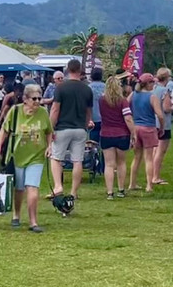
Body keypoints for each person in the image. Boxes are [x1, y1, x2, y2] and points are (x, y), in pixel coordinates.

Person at [0, 82, 51, 232]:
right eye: (34, 99)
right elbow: (5, 130)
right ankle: (16, 215)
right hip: (17, 155)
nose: (38, 101)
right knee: (19, 188)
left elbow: (49, 131)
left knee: (32, 187)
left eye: (39, 98)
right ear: (25, 99)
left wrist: (49, 146)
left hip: (36, 156)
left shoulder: (43, 113)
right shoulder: (15, 111)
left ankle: (33, 222)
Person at [47, 59, 93, 204]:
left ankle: (58, 186)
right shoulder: (87, 89)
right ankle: (73, 192)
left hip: (62, 128)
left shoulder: (61, 88)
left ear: (67, 70)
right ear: (80, 70)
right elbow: (88, 112)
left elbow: (55, 109)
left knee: (56, 158)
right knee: (77, 160)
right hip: (80, 128)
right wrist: (86, 124)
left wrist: (50, 127)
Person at [98, 75, 134, 199]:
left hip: (106, 134)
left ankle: (109, 192)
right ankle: (121, 189)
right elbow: (128, 118)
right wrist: (133, 133)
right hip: (122, 134)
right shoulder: (123, 101)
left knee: (109, 164)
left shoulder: (101, 101)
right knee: (121, 163)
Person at [129, 73, 161, 192]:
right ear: (147, 84)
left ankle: (132, 183)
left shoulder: (133, 95)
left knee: (136, 157)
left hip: (136, 128)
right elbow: (160, 114)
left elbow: (126, 107)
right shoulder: (152, 97)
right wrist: (161, 126)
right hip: (148, 128)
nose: (154, 84)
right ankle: (149, 185)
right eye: (152, 82)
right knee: (148, 158)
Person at [151, 68, 173, 185]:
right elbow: (166, 108)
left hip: (153, 122)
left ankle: (151, 174)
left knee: (155, 150)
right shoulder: (164, 91)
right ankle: (155, 176)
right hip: (163, 123)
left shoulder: (153, 89)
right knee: (161, 151)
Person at [88, 67, 106, 145]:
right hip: (105, 118)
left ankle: (94, 156)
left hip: (93, 118)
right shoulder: (106, 87)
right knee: (105, 143)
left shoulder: (88, 88)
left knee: (93, 142)